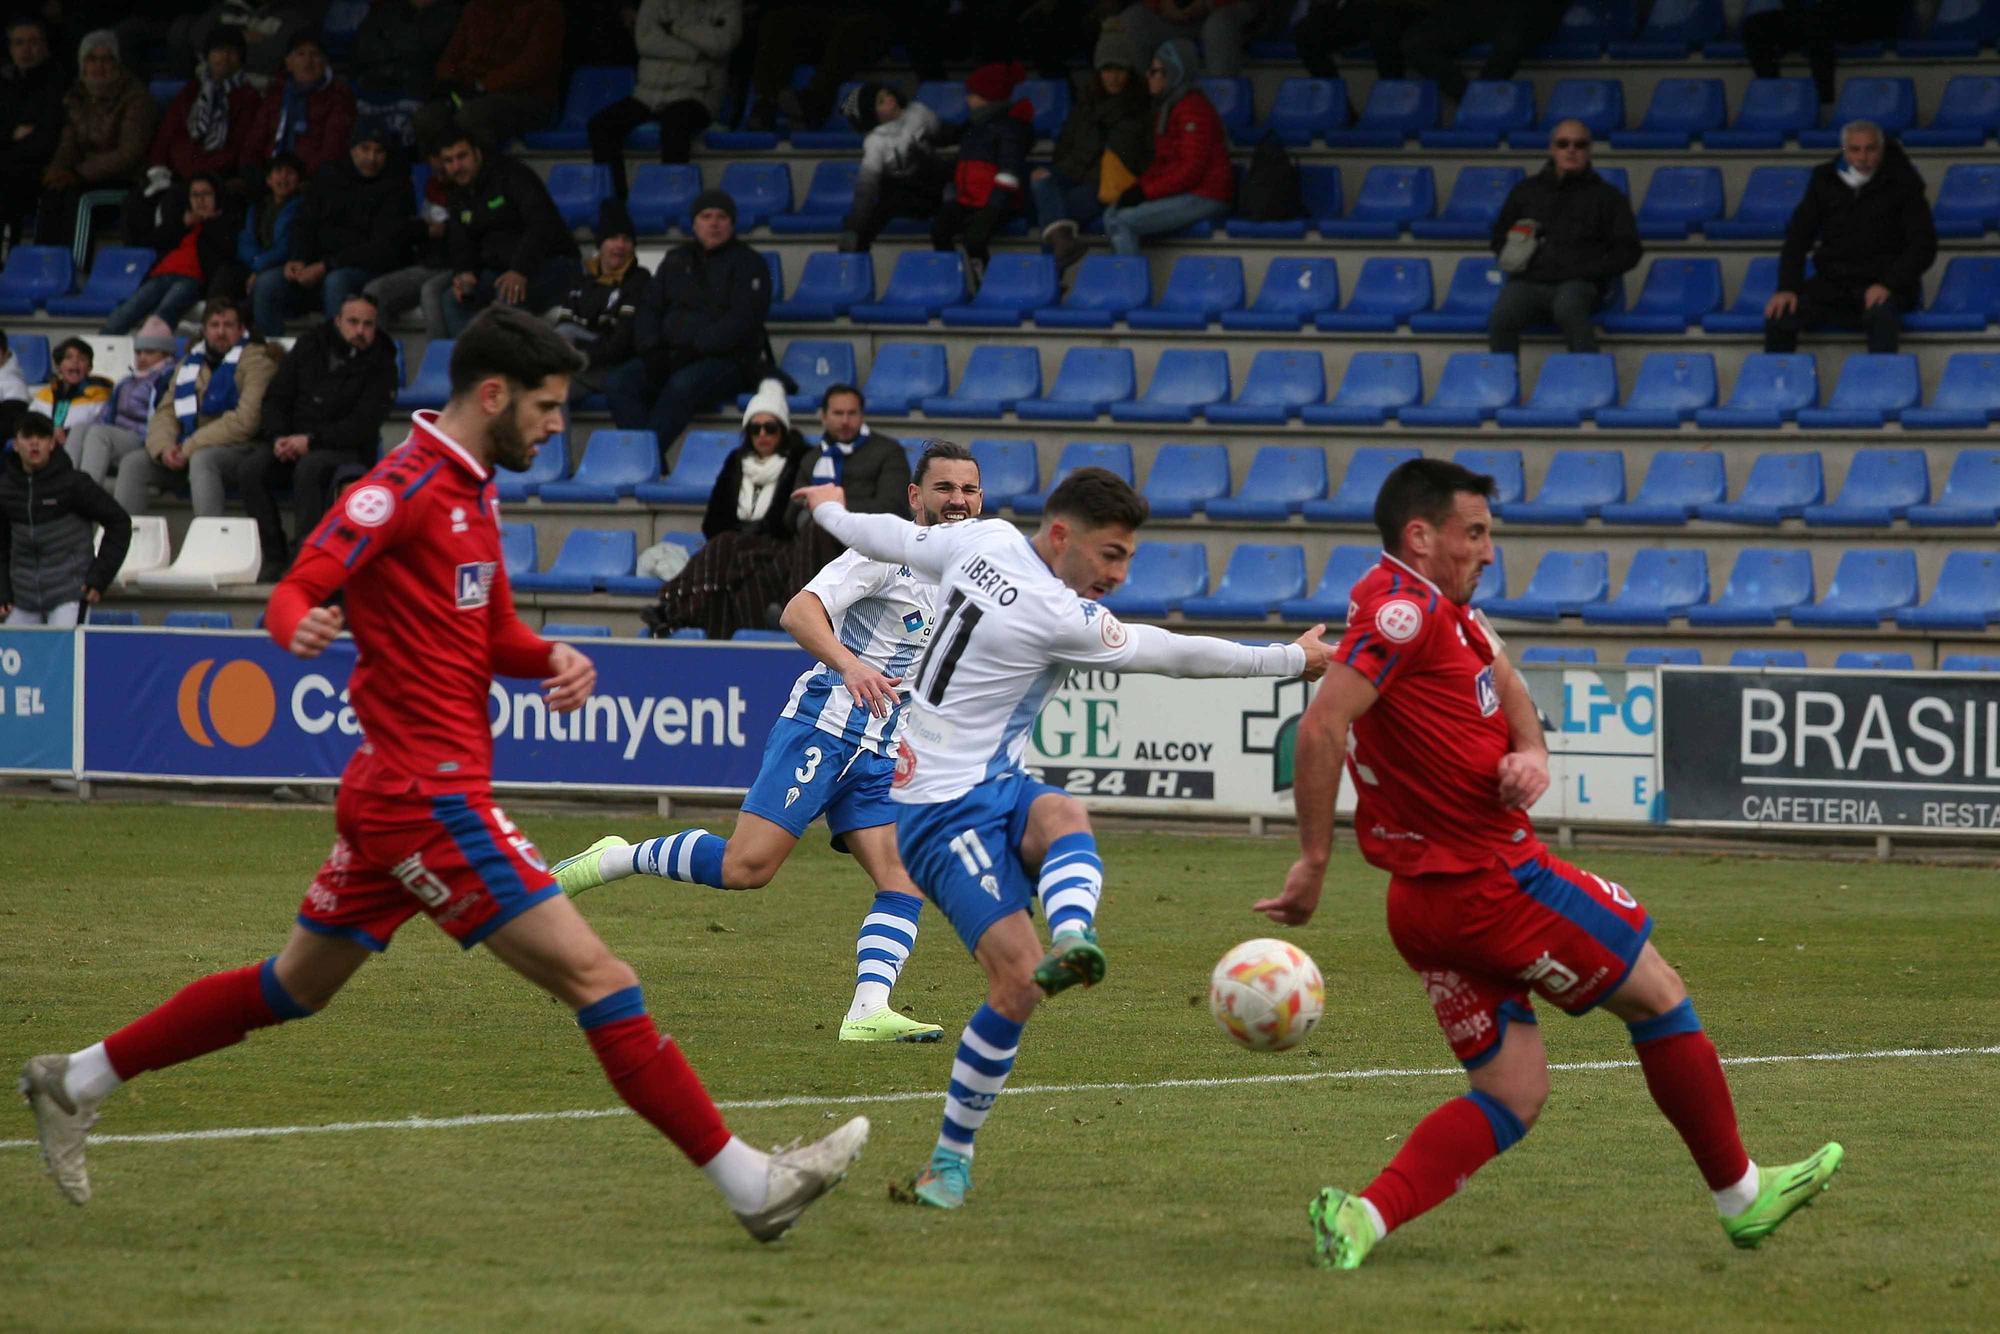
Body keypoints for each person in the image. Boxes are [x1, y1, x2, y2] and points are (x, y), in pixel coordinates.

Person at [18, 305, 870, 1240]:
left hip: (398, 795)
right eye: (546, 407)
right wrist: (289, 622)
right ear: (493, 395)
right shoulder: (405, 487)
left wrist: (547, 658)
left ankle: (78, 1078)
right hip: (427, 798)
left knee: (295, 986)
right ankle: (752, 1185)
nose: (556, 427)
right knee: (599, 976)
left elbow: (491, 625)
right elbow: (305, 578)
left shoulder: (473, 488)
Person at [1255, 456, 1844, 1269]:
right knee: (1661, 996)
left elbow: (1504, 676)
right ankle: (1741, 1195)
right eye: (1474, 533)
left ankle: (1363, 1218)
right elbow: (1323, 728)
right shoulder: (1404, 611)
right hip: (1494, 884)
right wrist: (1313, 861)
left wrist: (1529, 749)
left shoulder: (1442, 609)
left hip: (1424, 910)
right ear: (1420, 537)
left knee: (1512, 1094)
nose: (1488, 550)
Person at [793, 466, 1331, 1208]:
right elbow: (1174, 654)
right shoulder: (1059, 615)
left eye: (1127, 558)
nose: (1119, 572)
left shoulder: (979, 538)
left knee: (1064, 815)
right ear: (1060, 536)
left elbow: (894, 536)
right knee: (1015, 983)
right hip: (940, 811)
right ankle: (948, 1162)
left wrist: (831, 511)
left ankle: (1075, 936)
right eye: (1110, 554)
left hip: (994, 782)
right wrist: (1290, 661)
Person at [561, 447, 994, 1046]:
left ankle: (868, 1009)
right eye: (943, 488)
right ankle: (615, 857)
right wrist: (850, 666)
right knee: (746, 869)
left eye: (968, 490)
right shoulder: (883, 555)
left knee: (902, 876)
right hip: (824, 726)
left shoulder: (977, 575)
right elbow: (799, 612)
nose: (957, 501)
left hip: (882, 748)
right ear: (915, 498)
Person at [238, 292, 400, 579]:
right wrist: (279, 438)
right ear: (338, 321)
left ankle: (307, 558)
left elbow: (363, 424)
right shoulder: (310, 345)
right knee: (251, 469)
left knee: (309, 469)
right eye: (353, 322)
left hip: (347, 450)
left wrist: (311, 441)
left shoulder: (383, 362)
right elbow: (276, 398)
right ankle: (272, 555)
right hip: (293, 441)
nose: (360, 331)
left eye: (368, 324)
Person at [636, 378, 810, 640]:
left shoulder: (799, 460)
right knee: (729, 560)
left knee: (728, 551)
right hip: (734, 547)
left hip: (779, 546)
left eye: (770, 428)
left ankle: (671, 611)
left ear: (782, 430)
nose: (762, 435)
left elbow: (789, 519)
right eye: (755, 428)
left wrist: (749, 535)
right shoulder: (736, 462)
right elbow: (714, 519)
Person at [605, 188, 768, 464]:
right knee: (619, 382)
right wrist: (651, 349)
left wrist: (694, 349)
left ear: (732, 223)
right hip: (669, 355)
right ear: (694, 223)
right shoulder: (675, 259)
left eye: (721, 217)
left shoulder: (749, 263)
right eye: (706, 216)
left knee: (681, 386)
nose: (713, 223)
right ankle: (653, 461)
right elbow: (649, 308)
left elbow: (742, 321)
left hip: (727, 361)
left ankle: (639, 463)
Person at [1764, 120, 1936, 356]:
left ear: (1882, 148)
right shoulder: (1824, 179)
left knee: (1881, 315)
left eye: (1870, 149)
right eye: (1855, 149)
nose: (1863, 156)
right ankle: (1778, 389)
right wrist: (1787, 287)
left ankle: (1879, 391)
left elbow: (1924, 246)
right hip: (1835, 283)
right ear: (1845, 150)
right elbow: (1797, 239)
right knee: (1781, 312)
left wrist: (1888, 283)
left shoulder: (1904, 183)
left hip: (1886, 284)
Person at [115, 296, 282, 518]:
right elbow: (166, 411)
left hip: (240, 448)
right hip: (186, 448)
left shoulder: (259, 361)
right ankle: (125, 543)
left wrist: (189, 447)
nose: (220, 332)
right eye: (214, 325)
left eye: (228, 325)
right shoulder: (190, 361)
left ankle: (209, 543)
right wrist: (165, 449)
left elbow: (246, 420)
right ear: (203, 330)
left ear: (242, 329)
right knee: (134, 463)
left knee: (203, 459)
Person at [1486, 118, 1641, 355]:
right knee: (1501, 317)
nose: (1571, 150)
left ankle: (1588, 384)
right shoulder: (1526, 191)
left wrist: (1590, 270)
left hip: (1581, 283)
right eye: (1563, 143)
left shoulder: (1608, 197)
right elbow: (1499, 237)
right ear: (1552, 148)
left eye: (1579, 144)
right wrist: (1521, 262)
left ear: (1589, 151)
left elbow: (1629, 250)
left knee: (1568, 308)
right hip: (1530, 281)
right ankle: (1503, 388)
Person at [434, 127, 582, 336]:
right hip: (500, 272)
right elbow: (462, 243)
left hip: (552, 264)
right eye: (449, 161)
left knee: (506, 295)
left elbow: (542, 224)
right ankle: (472, 363)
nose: (457, 166)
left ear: (477, 153)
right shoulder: (457, 194)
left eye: (462, 156)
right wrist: (465, 273)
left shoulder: (512, 174)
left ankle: (515, 366)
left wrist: (520, 269)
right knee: (452, 299)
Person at [589, 0, 742, 196]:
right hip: (647, 95)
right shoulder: (655, 3)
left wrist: (674, 28)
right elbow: (645, 43)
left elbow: (721, 44)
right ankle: (615, 205)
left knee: (675, 121)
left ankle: (673, 198)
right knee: (600, 125)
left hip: (697, 95)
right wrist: (699, 48)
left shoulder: (727, 5)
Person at [271, 118, 412, 330]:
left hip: (365, 268)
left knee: (336, 281)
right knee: (268, 284)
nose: (371, 158)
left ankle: (337, 355)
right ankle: (265, 357)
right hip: (320, 265)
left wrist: (327, 265)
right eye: (365, 149)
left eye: (379, 151)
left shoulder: (397, 186)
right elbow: (305, 222)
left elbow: (383, 248)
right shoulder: (329, 176)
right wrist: (298, 258)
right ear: (353, 149)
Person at [1033, 25, 1150, 274]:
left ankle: (1049, 282)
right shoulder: (1085, 103)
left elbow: (1132, 157)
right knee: (1041, 182)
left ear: (1130, 70)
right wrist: (1056, 173)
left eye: (1120, 69)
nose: (1113, 77)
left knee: (1052, 214)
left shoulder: (1139, 108)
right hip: (1072, 174)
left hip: (1103, 185)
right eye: (1107, 69)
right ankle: (1061, 252)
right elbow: (1065, 146)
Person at [1099, 38, 1231, 258]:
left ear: (1172, 73)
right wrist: (1138, 189)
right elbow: (1164, 164)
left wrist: (1145, 192)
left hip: (1207, 194)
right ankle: (1121, 278)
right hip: (1188, 191)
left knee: (1122, 221)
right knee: (1111, 213)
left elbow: (1191, 170)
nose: (1148, 77)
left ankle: (1129, 288)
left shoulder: (1192, 108)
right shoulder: (1170, 106)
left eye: (1154, 71)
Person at [0, 411, 132, 627]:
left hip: (68, 596)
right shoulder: (5, 489)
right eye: (27, 436)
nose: (34, 443)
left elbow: (119, 523)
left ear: (52, 443)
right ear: (15, 444)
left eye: (42, 437)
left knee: (63, 658)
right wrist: (3, 591)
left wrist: (99, 578)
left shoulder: (74, 485)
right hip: (23, 599)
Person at [35, 30, 158, 249]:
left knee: (81, 201)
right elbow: (69, 142)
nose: (99, 66)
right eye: (92, 59)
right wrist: (57, 169)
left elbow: (129, 153)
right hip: (85, 176)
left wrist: (78, 173)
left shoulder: (136, 98)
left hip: (126, 179)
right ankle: (42, 267)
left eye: (106, 59)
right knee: (52, 193)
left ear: (117, 63)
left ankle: (73, 268)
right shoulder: (77, 96)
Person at [931, 61, 1035, 292]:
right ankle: (951, 284)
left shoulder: (1009, 129)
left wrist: (992, 208)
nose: (968, 100)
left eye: (973, 95)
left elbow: (1009, 171)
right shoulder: (975, 126)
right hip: (969, 199)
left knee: (974, 240)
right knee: (940, 228)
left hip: (999, 202)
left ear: (988, 97)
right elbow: (955, 148)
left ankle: (989, 286)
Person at [418, 0, 567, 151]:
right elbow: (450, 57)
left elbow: (533, 66)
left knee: (473, 116)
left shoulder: (545, 7)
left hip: (527, 98)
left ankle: (487, 172)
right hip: (472, 94)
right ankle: (439, 174)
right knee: (427, 118)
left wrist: (483, 86)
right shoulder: (475, 7)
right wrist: (449, 80)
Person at [99, 173, 236, 335]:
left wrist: (209, 223)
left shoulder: (227, 222)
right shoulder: (180, 222)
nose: (200, 200)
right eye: (195, 195)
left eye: (206, 194)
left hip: (191, 280)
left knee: (163, 313)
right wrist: (182, 224)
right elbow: (151, 241)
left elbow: (226, 251)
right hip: (160, 276)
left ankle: (150, 348)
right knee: (126, 312)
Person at [551, 200, 651, 397]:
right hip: (581, 365)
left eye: (626, 239)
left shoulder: (640, 280)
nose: (620, 245)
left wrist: (581, 356)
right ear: (601, 243)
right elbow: (564, 323)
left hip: (614, 367)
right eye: (613, 238)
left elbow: (622, 342)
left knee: (550, 385)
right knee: (551, 390)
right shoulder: (581, 278)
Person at [742, 0, 887, 133]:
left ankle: (814, 104)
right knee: (778, 20)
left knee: (853, 28)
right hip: (826, 16)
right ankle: (765, 103)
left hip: (867, 21)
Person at [836, 81, 948, 254]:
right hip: (903, 195)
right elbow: (867, 186)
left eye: (886, 94)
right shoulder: (875, 141)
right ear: (872, 116)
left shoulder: (919, 112)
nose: (889, 99)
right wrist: (855, 223)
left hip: (933, 186)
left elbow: (942, 137)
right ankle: (853, 250)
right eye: (881, 102)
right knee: (883, 202)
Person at [237, 30, 358, 186]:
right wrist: (253, 170)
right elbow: (254, 141)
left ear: (325, 62)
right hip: (271, 179)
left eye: (314, 54)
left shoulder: (339, 97)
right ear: (288, 62)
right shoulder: (275, 95)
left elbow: (333, 150)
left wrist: (297, 179)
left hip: (310, 182)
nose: (308, 62)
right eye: (300, 54)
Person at [69, 318, 179, 486]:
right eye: (138, 352)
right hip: (118, 436)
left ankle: (86, 495)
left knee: (100, 434)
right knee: (80, 429)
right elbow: (105, 415)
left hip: (144, 438)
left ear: (165, 354)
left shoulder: (168, 379)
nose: (142, 358)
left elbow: (162, 420)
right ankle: (65, 486)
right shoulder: (127, 380)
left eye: (149, 352)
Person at [149, 25, 260, 182]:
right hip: (182, 172)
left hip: (224, 177)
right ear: (208, 55)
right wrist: (158, 167)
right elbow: (168, 133)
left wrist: (201, 170)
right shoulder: (192, 90)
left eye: (232, 51)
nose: (225, 57)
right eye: (219, 50)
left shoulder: (249, 97)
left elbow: (241, 146)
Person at [364, 143, 456, 334]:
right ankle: (375, 361)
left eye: (445, 160)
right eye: (435, 159)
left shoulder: (471, 188)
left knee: (431, 292)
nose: (440, 165)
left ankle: (438, 362)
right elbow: (396, 229)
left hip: (460, 265)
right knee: (373, 292)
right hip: (430, 263)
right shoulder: (427, 186)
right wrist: (424, 230)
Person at [1401, 0, 1564, 104]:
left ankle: (1482, 100)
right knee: (1415, 43)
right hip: (1478, 8)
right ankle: (1470, 98)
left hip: (1530, 8)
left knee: (1512, 39)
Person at [350, 0, 462, 146]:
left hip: (422, 91)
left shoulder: (451, 14)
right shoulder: (387, 11)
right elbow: (364, 49)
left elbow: (423, 52)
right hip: (377, 87)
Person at [0, 16, 67, 247]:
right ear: (10, 48)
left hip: (38, 169)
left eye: (33, 42)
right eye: (19, 43)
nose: (26, 49)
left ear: (45, 46)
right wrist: (10, 133)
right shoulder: (5, 83)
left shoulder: (58, 84)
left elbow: (47, 137)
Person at [232, 152, 308, 333]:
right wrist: (256, 263)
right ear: (268, 180)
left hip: (286, 268)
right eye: (278, 172)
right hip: (258, 265)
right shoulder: (258, 207)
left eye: (290, 173)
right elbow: (246, 240)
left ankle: (267, 342)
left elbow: (287, 246)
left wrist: (259, 267)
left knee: (264, 284)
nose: (283, 177)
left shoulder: (303, 207)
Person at [1110, 0, 1269, 76]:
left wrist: (1208, 4)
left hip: (1226, 13)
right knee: (1133, 19)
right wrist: (1162, 4)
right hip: (1176, 16)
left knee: (1218, 25)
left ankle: (1221, 104)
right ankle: (1144, 99)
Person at [30, 339, 114, 451]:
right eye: (68, 358)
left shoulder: (100, 397)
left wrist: (65, 433)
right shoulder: (44, 396)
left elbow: (100, 429)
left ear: (89, 368)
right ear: (58, 366)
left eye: (82, 359)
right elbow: (29, 424)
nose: (75, 362)